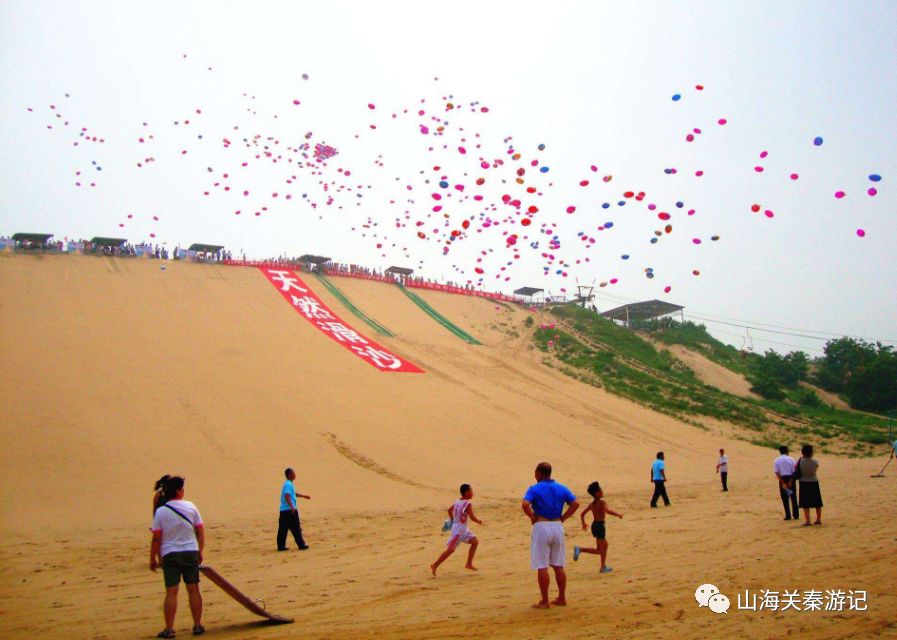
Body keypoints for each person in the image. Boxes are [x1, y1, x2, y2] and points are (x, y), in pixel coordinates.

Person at [149, 476, 205, 638]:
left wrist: (153, 557)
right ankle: (197, 625)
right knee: (193, 589)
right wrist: (199, 551)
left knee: (171, 591)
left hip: (170, 554)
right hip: (190, 551)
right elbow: (200, 531)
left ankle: (169, 628)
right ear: (179, 491)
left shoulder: (161, 511)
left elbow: (156, 538)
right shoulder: (191, 507)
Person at [522, 462, 579, 609]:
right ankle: (561, 597)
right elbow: (575, 503)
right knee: (558, 565)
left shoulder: (535, 488)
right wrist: (564, 517)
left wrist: (532, 517)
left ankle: (545, 600)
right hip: (557, 526)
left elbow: (525, 504)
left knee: (542, 565)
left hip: (542, 525)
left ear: (540, 473)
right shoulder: (561, 487)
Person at [430, 484, 484, 576]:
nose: (472, 493)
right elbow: (472, 517)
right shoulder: (467, 504)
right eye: (471, 491)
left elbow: (449, 510)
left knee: (475, 542)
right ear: (466, 493)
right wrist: (480, 522)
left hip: (462, 529)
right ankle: (435, 565)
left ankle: (469, 564)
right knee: (450, 550)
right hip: (458, 531)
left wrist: (453, 520)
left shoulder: (458, 501)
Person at [573, 481, 622, 573]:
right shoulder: (602, 502)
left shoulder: (592, 504)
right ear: (597, 493)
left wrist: (584, 523)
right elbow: (608, 511)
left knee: (605, 545)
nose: (602, 491)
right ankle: (580, 549)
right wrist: (618, 514)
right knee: (599, 550)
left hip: (594, 525)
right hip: (600, 526)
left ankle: (603, 566)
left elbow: (582, 514)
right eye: (601, 490)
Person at [277, 468, 310, 551]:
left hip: (285, 510)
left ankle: (281, 546)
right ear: (289, 475)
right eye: (293, 473)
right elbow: (287, 495)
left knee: (284, 528)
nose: (295, 475)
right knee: (295, 528)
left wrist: (303, 496)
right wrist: (292, 507)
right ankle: (301, 545)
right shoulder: (288, 484)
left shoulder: (289, 484)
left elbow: (292, 494)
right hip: (289, 510)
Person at [797, 445, 824, 526]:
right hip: (813, 481)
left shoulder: (800, 461)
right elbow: (815, 470)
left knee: (805, 503)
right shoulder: (815, 462)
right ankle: (818, 519)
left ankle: (808, 520)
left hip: (803, 482)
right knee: (817, 502)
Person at [774, 446, 799, 521]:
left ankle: (788, 515)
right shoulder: (791, 459)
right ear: (787, 451)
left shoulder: (777, 460)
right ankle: (796, 515)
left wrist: (782, 482)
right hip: (790, 478)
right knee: (793, 497)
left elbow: (777, 472)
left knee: (784, 498)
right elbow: (794, 471)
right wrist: (791, 480)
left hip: (782, 478)